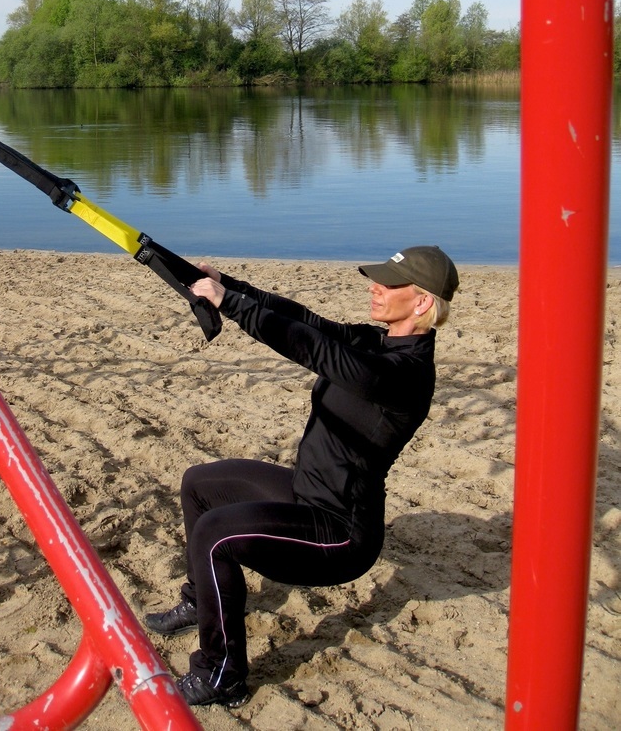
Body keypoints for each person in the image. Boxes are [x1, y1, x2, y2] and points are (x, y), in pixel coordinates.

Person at [144, 244, 459, 709]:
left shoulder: (405, 373)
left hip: (339, 533)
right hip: (305, 493)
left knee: (214, 534)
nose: (374, 287)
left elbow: (313, 349)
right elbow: (307, 322)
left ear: (422, 302)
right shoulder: (375, 341)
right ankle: (199, 602)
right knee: (200, 484)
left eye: (389, 284)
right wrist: (228, 285)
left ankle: (222, 674)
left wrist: (229, 304)